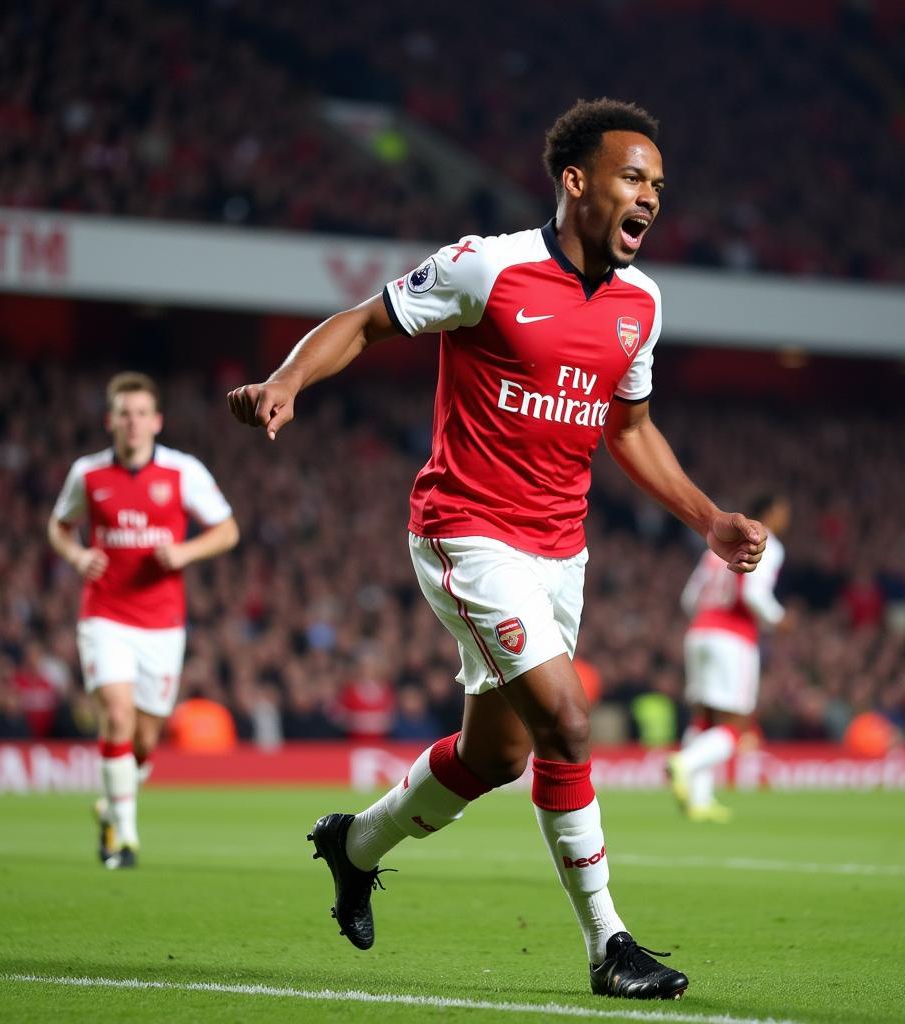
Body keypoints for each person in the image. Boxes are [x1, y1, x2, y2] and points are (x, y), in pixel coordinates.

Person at [228, 98, 766, 1001]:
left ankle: (353, 846)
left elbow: (628, 429)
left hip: (561, 553)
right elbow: (365, 321)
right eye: (634, 177)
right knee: (568, 721)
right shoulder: (490, 267)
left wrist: (706, 517)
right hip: (465, 532)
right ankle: (609, 945)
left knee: (499, 759)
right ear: (576, 181)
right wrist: (287, 381)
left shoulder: (642, 303)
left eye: (659, 186)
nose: (651, 198)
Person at [48, 372, 239, 868]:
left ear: (156, 421)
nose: (132, 423)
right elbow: (58, 526)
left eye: (141, 414)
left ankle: (110, 805)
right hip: (104, 615)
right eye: (123, 414)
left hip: (162, 623)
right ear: (110, 420)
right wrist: (74, 556)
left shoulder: (182, 472)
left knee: (146, 739)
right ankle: (124, 835)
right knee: (116, 714)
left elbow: (227, 531)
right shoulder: (87, 474)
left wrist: (184, 552)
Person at [668, 493, 790, 822]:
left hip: (699, 633)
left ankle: (699, 799)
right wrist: (779, 619)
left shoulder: (717, 548)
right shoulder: (767, 542)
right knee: (736, 726)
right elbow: (754, 594)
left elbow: (689, 598)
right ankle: (686, 762)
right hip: (733, 639)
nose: (786, 519)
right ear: (769, 512)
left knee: (704, 719)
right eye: (783, 512)